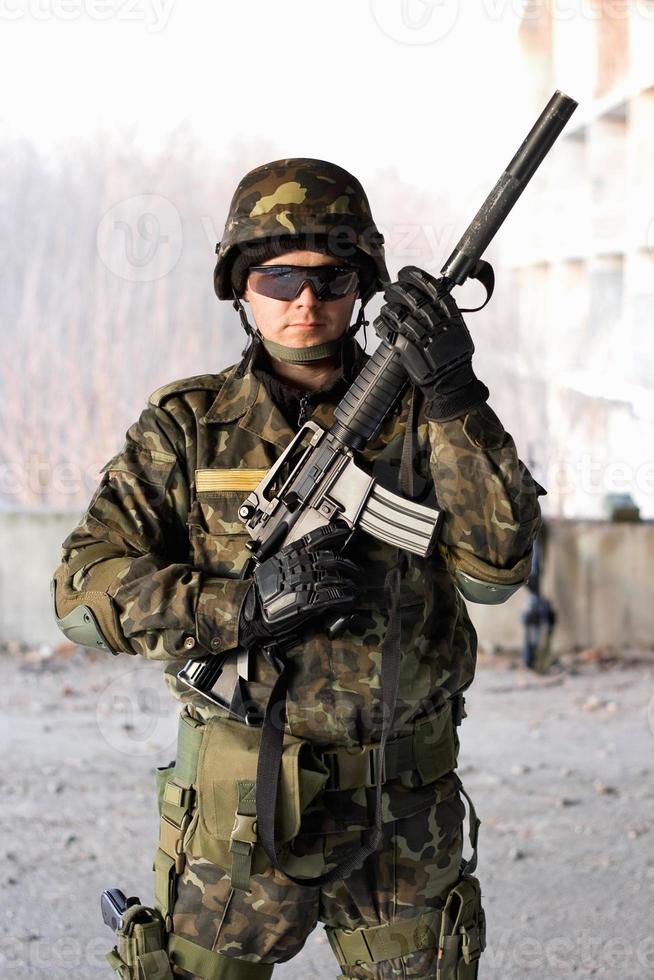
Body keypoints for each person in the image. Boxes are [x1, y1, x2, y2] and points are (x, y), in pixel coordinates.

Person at [52, 158, 544, 980]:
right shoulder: (189, 426)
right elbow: (79, 592)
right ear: (239, 285)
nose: (306, 300)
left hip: (403, 804)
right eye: (277, 277)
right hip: (237, 808)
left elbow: (496, 570)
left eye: (332, 277)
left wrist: (457, 393)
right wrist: (239, 608)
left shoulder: (431, 417)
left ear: (364, 286)